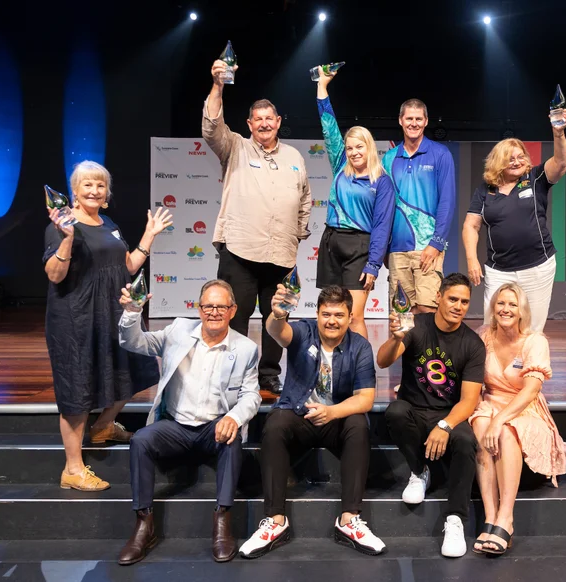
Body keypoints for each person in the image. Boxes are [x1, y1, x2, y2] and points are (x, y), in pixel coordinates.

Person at [115, 280, 261, 564]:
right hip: (176, 427)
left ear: (233, 310)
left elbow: (251, 395)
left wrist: (233, 417)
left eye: (221, 306)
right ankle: (144, 524)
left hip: (213, 427)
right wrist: (133, 312)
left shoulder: (245, 348)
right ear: (199, 308)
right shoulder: (178, 331)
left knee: (233, 439)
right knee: (140, 440)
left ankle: (223, 521)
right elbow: (133, 342)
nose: (214, 312)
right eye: (208, 306)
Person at [43, 161, 168, 491]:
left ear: (107, 192)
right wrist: (68, 237)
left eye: (100, 185)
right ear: (75, 191)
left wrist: (149, 236)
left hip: (112, 312)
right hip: (76, 318)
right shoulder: (61, 225)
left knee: (134, 368)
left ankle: (103, 426)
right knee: (78, 388)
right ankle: (72, 468)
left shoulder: (108, 222)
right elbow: (55, 274)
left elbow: (126, 267)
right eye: (87, 185)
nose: (94, 191)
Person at [239, 285, 385, 558]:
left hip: (336, 420)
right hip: (299, 415)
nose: (332, 321)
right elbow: (277, 332)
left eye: (339, 315)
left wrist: (331, 412)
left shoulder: (361, 346)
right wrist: (277, 315)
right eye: (326, 314)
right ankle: (275, 521)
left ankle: (349, 520)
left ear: (350, 316)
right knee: (275, 423)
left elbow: (365, 399)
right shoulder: (304, 331)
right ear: (316, 315)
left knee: (358, 424)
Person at [202, 58, 312, 395]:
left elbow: (305, 198)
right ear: (249, 123)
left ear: (278, 122)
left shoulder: (295, 156)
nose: (264, 124)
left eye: (270, 119)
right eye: (258, 119)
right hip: (240, 249)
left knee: (276, 317)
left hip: (281, 253)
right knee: (234, 315)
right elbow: (211, 126)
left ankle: (268, 376)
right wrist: (219, 85)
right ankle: (231, 375)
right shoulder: (234, 146)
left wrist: (297, 232)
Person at [377, 273, 483, 558]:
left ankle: (456, 519)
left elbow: (469, 400)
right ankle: (419, 471)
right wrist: (395, 338)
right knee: (395, 412)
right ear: (438, 297)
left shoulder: (473, 344)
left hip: (449, 414)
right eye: (452, 299)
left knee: (464, 441)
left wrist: (446, 424)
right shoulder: (416, 325)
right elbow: (383, 360)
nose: (458, 306)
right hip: (413, 408)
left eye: (464, 301)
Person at [469, 283, 566, 556]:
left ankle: (506, 519)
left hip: (524, 409)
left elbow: (531, 390)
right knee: (480, 424)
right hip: (490, 404)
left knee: (504, 430)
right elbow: (469, 379)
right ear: (493, 307)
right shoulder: (483, 336)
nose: (506, 309)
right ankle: (490, 518)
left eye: (512, 305)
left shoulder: (535, 341)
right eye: (501, 303)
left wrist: (499, 419)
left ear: (521, 311)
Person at [462, 109, 566, 333]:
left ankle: (530, 369)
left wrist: (558, 133)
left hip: (537, 268)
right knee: (493, 328)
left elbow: (560, 162)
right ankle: (496, 369)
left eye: (521, 156)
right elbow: (471, 226)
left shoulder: (536, 178)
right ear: (497, 162)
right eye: (510, 158)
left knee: (531, 330)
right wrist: (472, 260)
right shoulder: (485, 190)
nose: (517, 161)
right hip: (498, 270)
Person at [314, 66, 395, 339]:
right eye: (349, 147)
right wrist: (322, 87)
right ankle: (331, 368)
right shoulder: (340, 165)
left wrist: (373, 264)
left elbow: (382, 226)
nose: (353, 152)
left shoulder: (382, 181)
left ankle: (361, 374)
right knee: (331, 313)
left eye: (359, 146)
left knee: (354, 316)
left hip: (361, 248)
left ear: (369, 147)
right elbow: (329, 128)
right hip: (331, 242)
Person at [382, 99, 456, 315]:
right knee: (401, 313)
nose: (413, 123)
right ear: (400, 121)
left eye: (418, 119)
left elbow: (447, 202)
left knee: (427, 309)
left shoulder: (440, 154)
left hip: (428, 248)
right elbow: (384, 207)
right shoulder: (389, 158)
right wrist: (385, 248)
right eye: (409, 118)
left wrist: (436, 243)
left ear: (425, 122)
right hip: (397, 249)